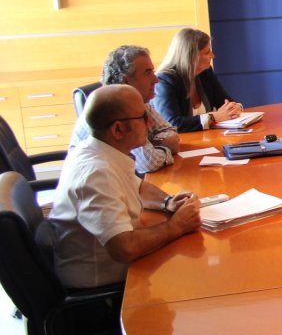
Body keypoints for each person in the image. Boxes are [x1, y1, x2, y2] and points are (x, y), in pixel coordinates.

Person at [48, 84, 200, 289]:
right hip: (102, 286)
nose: (150, 123)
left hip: (119, 266)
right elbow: (125, 248)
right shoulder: (96, 173)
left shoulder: (102, 151)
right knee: (195, 276)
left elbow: (138, 187)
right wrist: (176, 227)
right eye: (143, 117)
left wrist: (168, 202)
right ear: (118, 129)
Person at [69, 45, 180, 174]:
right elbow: (149, 162)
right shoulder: (116, 109)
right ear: (125, 80)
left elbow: (169, 130)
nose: (155, 79)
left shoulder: (137, 101)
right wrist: (165, 148)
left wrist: (155, 143)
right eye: (148, 73)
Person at [152, 28, 243, 132]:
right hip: (182, 144)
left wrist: (236, 107)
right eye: (207, 52)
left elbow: (225, 102)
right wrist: (213, 118)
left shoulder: (205, 72)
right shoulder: (164, 80)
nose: (213, 56)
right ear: (191, 56)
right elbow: (173, 123)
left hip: (206, 139)